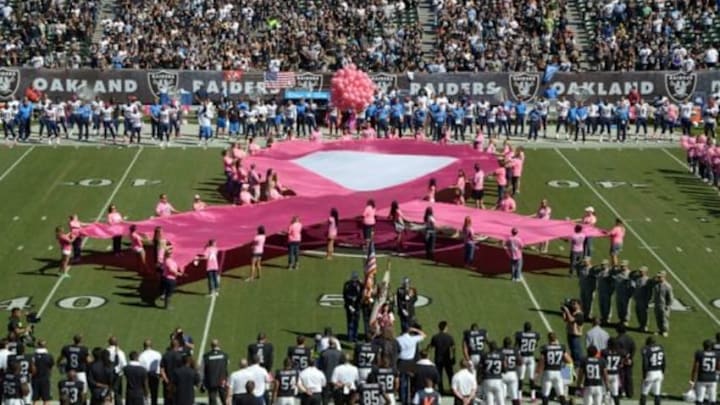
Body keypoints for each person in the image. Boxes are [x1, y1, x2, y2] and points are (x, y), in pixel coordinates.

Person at [536, 332, 573, 405]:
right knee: (561, 394)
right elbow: (569, 360)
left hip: (548, 372)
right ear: (556, 338)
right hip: (557, 373)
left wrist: (537, 372)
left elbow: (542, 361)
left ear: (548, 339)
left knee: (545, 394)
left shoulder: (545, 348)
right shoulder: (561, 347)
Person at [396, 326, 426, 405]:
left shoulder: (398, 339)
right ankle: (409, 398)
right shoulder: (413, 339)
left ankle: (403, 399)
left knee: (402, 381)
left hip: (401, 361)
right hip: (410, 361)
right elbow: (424, 335)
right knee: (410, 380)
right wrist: (415, 329)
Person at [427, 321, 455, 395]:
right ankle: (452, 389)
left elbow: (430, 347)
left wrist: (427, 355)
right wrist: (453, 357)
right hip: (447, 359)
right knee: (450, 375)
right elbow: (453, 348)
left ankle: (441, 390)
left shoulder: (435, 337)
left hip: (438, 359)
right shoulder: (449, 337)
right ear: (445, 327)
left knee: (439, 375)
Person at [515, 322, 540, 400]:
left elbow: (516, 346)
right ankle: (533, 396)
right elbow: (536, 344)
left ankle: (519, 396)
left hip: (523, 357)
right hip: (531, 358)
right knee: (531, 378)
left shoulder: (519, 335)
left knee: (521, 378)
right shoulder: (536, 335)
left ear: (524, 328)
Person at [691, 340, 719, 405]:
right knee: (712, 401)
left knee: (699, 400)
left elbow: (696, 368)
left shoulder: (700, 353)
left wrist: (692, 379)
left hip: (702, 379)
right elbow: (718, 367)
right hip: (712, 379)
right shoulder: (716, 354)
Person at [202, 340, 229, 405]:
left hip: (211, 380)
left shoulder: (206, 356)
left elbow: (203, 369)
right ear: (219, 345)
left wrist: (203, 382)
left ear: (211, 346)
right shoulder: (225, 355)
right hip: (222, 380)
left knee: (212, 399)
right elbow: (226, 365)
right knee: (224, 398)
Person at [640, 337, 665, 405]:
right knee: (657, 394)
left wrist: (644, 376)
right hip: (659, 372)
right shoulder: (660, 348)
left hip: (651, 373)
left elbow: (645, 364)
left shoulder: (646, 349)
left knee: (644, 393)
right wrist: (662, 372)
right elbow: (664, 362)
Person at [480, 341, 505, 405]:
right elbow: (504, 367)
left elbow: (481, 368)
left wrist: (479, 378)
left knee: (489, 402)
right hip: (498, 380)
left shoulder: (484, 355)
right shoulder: (501, 355)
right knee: (501, 402)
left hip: (487, 379)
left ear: (489, 347)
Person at [615, 325, 636, 399]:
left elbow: (618, 351)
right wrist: (630, 357)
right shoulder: (630, 339)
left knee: (620, 377)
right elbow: (633, 349)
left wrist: (622, 359)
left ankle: (621, 392)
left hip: (621, 360)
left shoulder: (617, 340)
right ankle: (630, 393)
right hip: (629, 360)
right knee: (629, 376)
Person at [138, 340, 162, 405]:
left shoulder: (141, 355)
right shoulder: (157, 354)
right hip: (155, 375)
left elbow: (140, 367)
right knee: (154, 393)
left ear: (144, 346)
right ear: (151, 346)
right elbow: (160, 366)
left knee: (145, 393)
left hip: (145, 375)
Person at [601, 338, 624, 405]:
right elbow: (621, 364)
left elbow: (602, 363)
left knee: (604, 393)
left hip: (606, 374)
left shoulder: (604, 351)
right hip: (615, 374)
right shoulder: (620, 352)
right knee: (615, 394)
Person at [32, 340, 54, 405]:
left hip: (35, 379)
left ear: (38, 345)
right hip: (45, 379)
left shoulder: (33, 356)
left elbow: (32, 368)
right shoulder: (49, 356)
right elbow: (51, 368)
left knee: (35, 399)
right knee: (46, 399)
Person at [562, 299, 584, 364]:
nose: (572, 305)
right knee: (572, 352)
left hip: (575, 336)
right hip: (570, 335)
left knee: (576, 353)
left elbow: (571, 320)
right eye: (572, 304)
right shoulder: (573, 313)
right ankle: (573, 366)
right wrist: (564, 312)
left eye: (574, 304)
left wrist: (567, 311)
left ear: (579, 305)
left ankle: (578, 366)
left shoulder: (580, 314)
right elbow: (565, 319)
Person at [106, 336, 127, 405]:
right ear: (117, 343)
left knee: (107, 393)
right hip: (118, 375)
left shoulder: (105, 351)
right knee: (118, 394)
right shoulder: (120, 352)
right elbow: (124, 365)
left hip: (107, 375)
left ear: (109, 343)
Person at [652, 271, 673, 337]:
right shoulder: (656, 284)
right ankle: (659, 329)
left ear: (664, 277)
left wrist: (667, 305)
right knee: (658, 318)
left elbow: (670, 297)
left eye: (660, 277)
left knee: (664, 319)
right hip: (657, 304)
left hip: (664, 305)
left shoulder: (667, 286)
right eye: (658, 277)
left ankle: (665, 331)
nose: (658, 278)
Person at [501, 337, 520, 405]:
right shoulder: (515, 350)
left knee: (501, 397)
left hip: (503, 374)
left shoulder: (500, 350)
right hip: (512, 374)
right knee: (514, 396)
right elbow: (520, 362)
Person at [614, 261, 634, 326]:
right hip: (619, 293)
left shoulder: (629, 274)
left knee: (626, 308)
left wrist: (630, 294)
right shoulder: (618, 272)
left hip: (626, 294)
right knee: (619, 307)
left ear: (627, 266)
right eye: (621, 266)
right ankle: (621, 319)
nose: (622, 267)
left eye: (623, 266)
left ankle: (626, 320)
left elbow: (632, 286)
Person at [633, 266, 651, 332]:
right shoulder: (637, 278)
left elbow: (649, 291)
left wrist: (648, 300)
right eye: (640, 271)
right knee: (638, 312)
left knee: (644, 314)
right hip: (637, 298)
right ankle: (640, 325)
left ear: (645, 272)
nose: (640, 272)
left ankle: (645, 326)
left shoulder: (648, 280)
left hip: (643, 300)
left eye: (641, 271)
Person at [597, 260, 615, 325]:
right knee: (601, 304)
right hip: (601, 291)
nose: (602, 266)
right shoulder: (600, 271)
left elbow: (613, 283)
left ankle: (607, 318)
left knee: (607, 305)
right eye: (602, 265)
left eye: (604, 265)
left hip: (607, 291)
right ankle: (603, 317)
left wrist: (611, 291)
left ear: (607, 265)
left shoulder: (610, 272)